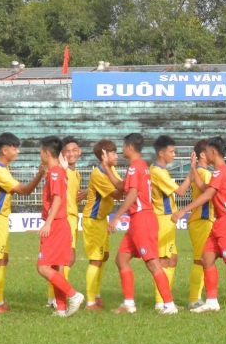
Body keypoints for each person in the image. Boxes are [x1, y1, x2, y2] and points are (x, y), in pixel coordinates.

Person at [171, 136, 226, 315]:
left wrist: (183, 210)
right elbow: (205, 188)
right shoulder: (222, 172)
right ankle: (212, 301)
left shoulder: (219, 172)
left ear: (213, 152)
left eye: (207, 151)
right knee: (207, 259)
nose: (205, 154)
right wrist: (193, 168)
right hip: (221, 222)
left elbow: (207, 195)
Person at [106, 133, 176, 315]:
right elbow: (123, 187)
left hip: (142, 219)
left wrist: (116, 217)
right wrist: (107, 168)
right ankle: (128, 304)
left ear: (129, 147)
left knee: (153, 263)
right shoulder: (142, 166)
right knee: (121, 259)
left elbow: (132, 194)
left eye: (123, 146)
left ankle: (169, 305)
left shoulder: (134, 168)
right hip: (140, 219)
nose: (121, 150)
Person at [0, 132, 45, 312]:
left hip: (1, 218)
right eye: (14, 148)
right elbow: (24, 191)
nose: (18, 151)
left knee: (3, 259)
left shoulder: (2, 166)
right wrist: (40, 174)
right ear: (4, 150)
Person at [33, 136, 86, 316]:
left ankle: (73, 295)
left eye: (40, 151)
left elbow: (57, 198)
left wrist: (48, 223)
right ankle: (61, 309)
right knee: (55, 267)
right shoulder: (57, 172)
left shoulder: (55, 172)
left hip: (56, 224)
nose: (40, 154)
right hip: (61, 224)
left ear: (46, 153)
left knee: (43, 267)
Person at [80, 139, 123, 310]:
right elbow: (118, 194)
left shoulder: (110, 170)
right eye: (113, 153)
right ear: (103, 155)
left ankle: (96, 295)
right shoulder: (98, 174)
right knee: (96, 260)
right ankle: (90, 301)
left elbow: (122, 186)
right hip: (93, 220)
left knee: (103, 257)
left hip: (101, 219)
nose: (116, 156)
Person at [150, 135, 191, 311]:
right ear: (161, 152)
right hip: (162, 219)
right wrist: (192, 173)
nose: (174, 155)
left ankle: (167, 299)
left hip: (167, 219)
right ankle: (162, 303)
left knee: (172, 259)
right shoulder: (158, 172)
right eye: (171, 151)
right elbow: (181, 192)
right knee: (163, 261)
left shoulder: (159, 169)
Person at [46, 135, 83, 307]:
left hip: (73, 217)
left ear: (80, 152)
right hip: (63, 218)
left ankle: (56, 298)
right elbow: (58, 196)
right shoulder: (62, 170)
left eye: (74, 150)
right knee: (64, 259)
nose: (71, 153)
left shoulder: (76, 173)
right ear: (61, 154)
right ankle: (58, 297)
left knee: (64, 260)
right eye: (67, 151)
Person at [186, 140, 214, 310]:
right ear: (203, 155)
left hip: (203, 220)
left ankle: (197, 297)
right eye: (212, 151)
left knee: (204, 260)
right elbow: (208, 193)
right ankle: (193, 299)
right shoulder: (204, 173)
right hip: (201, 220)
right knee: (201, 260)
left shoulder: (203, 172)